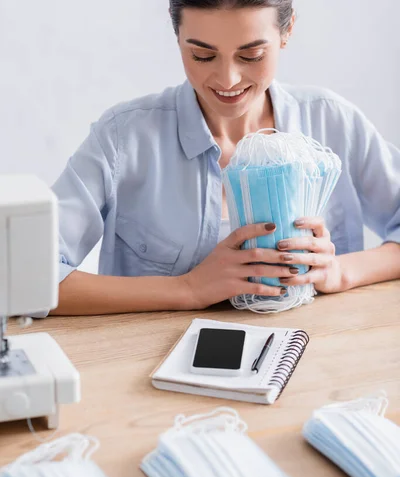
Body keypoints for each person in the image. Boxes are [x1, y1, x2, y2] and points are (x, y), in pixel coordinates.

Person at [51, 0, 400, 316]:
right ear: (177, 36)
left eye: (252, 55)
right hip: (154, 368)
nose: (227, 79)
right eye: (203, 55)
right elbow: (23, 278)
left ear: (287, 30)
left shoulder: (331, 121)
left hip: (318, 360)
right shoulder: (124, 137)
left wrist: (341, 271)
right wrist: (186, 289)